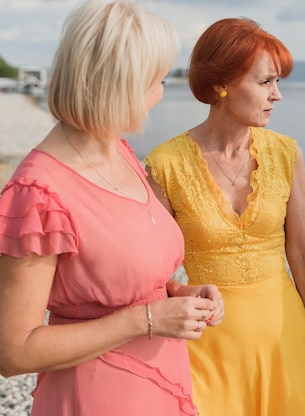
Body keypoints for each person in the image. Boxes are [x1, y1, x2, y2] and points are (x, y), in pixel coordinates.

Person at [0, 1, 224, 415]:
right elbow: (14, 352)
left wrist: (178, 295)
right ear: (120, 86)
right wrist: (148, 320)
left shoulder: (120, 151)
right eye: (156, 80)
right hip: (99, 397)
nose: (161, 93)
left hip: (160, 382)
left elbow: (116, 275)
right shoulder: (38, 193)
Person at [144, 17, 305, 416]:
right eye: (265, 82)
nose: (277, 95)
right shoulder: (164, 165)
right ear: (223, 83)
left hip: (285, 336)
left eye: (278, 82)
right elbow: (152, 273)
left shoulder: (287, 152)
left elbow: (301, 253)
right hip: (206, 343)